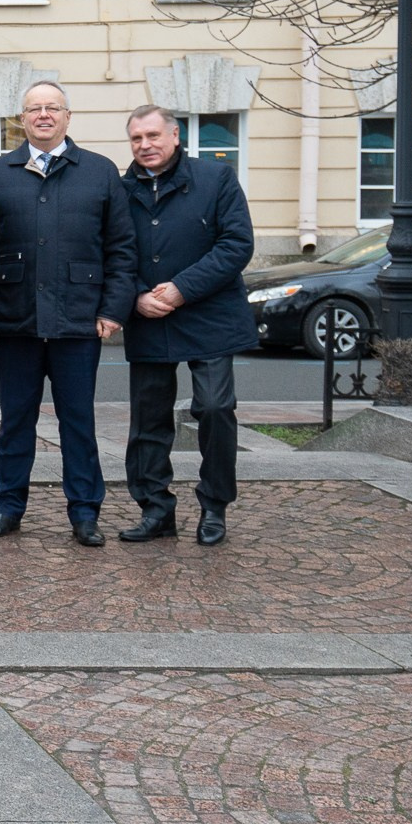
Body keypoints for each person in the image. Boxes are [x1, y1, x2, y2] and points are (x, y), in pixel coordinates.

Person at [0, 81, 137, 547]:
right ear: (22, 118)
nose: (44, 115)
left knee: (77, 421)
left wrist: (113, 309)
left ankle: (85, 512)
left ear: (68, 117)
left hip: (79, 320)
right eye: (35, 109)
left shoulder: (100, 171)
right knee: (14, 421)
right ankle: (8, 507)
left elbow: (122, 247)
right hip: (15, 321)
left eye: (53, 108)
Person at [118, 105, 256, 547]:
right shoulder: (120, 191)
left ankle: (214, 506)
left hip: (208, 314)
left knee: (215, 408)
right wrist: (137, 295)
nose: (146, 145)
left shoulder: (216, 180)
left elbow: (236, 245)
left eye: (154, 136)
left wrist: (181, 289)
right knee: (148, 421)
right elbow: (112, 252)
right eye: (137, 138)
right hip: (148, 317)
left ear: (175, 136)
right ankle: (155, 509)